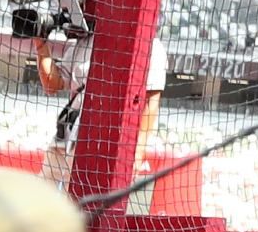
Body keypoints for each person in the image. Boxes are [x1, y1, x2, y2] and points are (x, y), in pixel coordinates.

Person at [39, 27, 167, 194]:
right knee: (39, 202)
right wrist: (40, 42)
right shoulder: (87, 39)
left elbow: (151, 103)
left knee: (83, 210)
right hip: (65, 140)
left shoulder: (152, 47)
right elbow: (51, 85)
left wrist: (137, 152)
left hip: (103, 148)